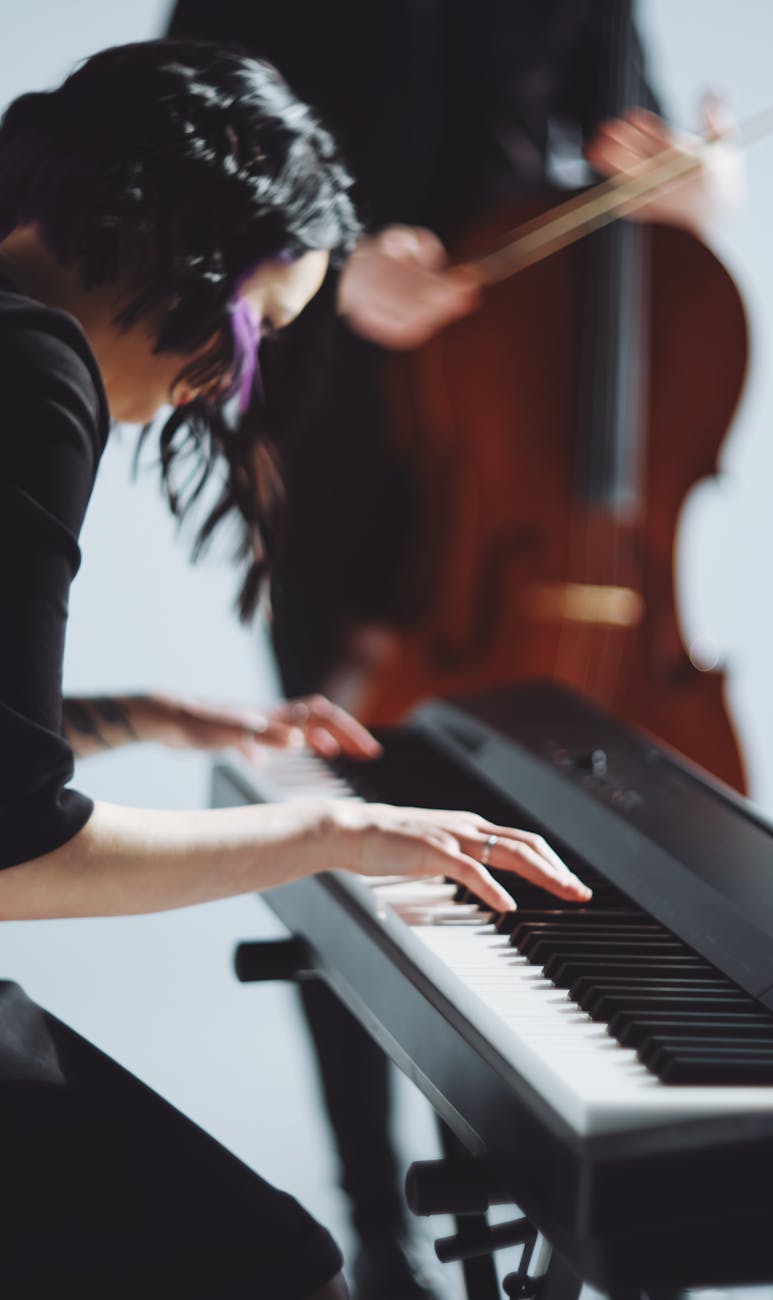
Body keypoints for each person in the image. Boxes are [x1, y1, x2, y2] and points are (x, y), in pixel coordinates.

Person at [162, 7, 744, 1298]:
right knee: (339, 841)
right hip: (343, 443)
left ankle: (585, 1208)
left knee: (568, 878)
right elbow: (171, 168)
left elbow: (618, 147)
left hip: (534, 407)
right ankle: (376, 1225)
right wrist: (332, 261)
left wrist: (695, 187)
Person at [0, 38, 594, 1300]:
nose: (228, 382)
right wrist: (338, 830)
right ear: (173, 229)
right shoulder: (32, 366)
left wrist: (138, 716)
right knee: (272, 1271)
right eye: (247, 328)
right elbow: (15, 859)